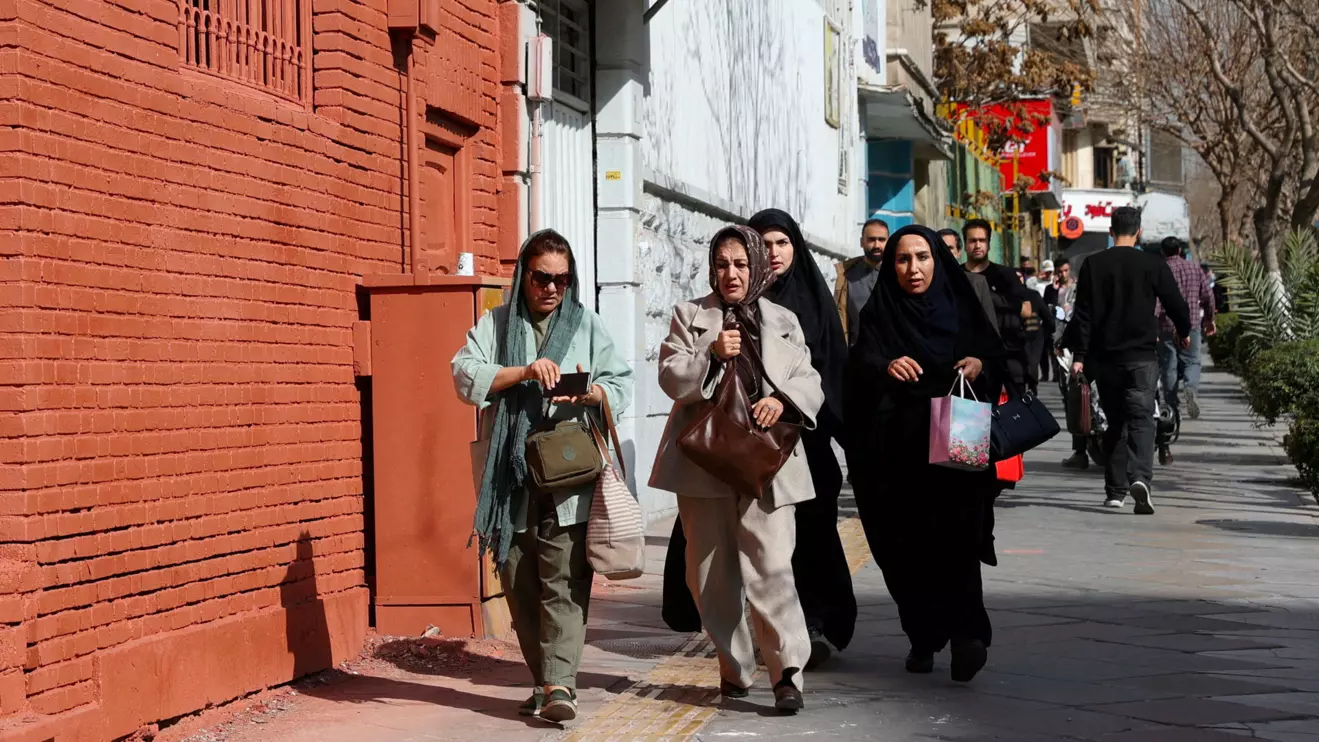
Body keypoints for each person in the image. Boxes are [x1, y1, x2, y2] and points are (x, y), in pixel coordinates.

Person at [451, 229, 634, 723]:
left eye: (562, 279)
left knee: (564, 579)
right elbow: (465, 376)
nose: (552, 288)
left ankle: (560, 684)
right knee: (517, 577)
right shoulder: (496, 324)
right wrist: (524, 372)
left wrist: (591, 393)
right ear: (523, 276)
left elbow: (621, 384)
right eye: (541, 277)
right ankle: (544, 679)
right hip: (510, 478)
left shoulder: (587, 325)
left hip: (570, 472)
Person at [651, 225, 824, 714]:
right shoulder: (690, 315)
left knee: (772, 567)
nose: (731, 273)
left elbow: (808, 377)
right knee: (708, 576)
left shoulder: (784, 318)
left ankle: (787, 672)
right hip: (704, 463)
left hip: (768, 462)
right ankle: (735, 667)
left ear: (757, 266)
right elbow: (670, 378)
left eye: (741, 264)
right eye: (723, 264)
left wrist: (781, 401)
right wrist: (710, 352)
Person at [844, 225, 1006, 683]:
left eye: (922, 257)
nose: (913, 269)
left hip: (957, 443)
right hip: (897, 453)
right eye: (902, 260)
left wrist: (978, 364)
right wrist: (885, 365)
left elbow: (995, 359)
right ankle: (923, 634)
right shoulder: (881, 314)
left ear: (938, 260)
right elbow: (858, 367)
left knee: (958, 540)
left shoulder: (961, 306)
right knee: (906, 548)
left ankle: (967, 637)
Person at [749, 208, 856, 669]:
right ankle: (772, 630)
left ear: (796, 247)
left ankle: (815, 623)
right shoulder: (739, 297)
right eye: (765, 244)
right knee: (763, 542)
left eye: (782, 243)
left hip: (807, 444)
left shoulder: (813, 301)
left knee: (813, 535)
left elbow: (833, 371)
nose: (773, 254)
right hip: (753, 445)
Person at [1063, 207, 1191, 514]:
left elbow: (1083, 314)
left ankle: (1115, 491)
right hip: (1142, 357)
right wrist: (1183, 331)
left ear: (1110, 230)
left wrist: (1079, 356)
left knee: (1114, 420)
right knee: (1142, 418)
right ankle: (1140, 478)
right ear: (1139, 232)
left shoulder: (1093, 263)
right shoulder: (1152, 263)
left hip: (1105, 359)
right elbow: (1175, 302)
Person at [963, 219, 1032, 394]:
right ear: (964, 244)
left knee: (1012, 418)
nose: (977, 245)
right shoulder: (957, 276)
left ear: (988, 243)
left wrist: (990, 297)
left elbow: (1026, 311)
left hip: (1007, 359)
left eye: (982, 240)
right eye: (972, 241)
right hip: (969, 361)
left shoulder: (1006, 275)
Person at [1156, 237, 1216, 420]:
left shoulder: (1160, 270)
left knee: (1169, 365)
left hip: (1166, 325)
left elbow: (1154, 301)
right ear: (1180, 251)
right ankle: (1190, 388)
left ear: (1162, 252)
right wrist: (1209, 319)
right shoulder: (1195, 268)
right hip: (1191, 324)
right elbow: (1208, 296)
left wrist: (1151, 325)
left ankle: (1172, 406)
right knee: (1192, 361)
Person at [1053, 259, 1093, 470]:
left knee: (1080, 397)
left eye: (1066, 270)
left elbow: (1081, 319)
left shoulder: (1081, 290)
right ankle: (1079, 450)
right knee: (1073, 398)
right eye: (1060, 271)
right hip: (1066, 350)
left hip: (1082, 349)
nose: (1063, 274)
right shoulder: (1054, 291)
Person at [834, 218, 889, 346]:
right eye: (871, 240)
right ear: (861, 242)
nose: (876, 245)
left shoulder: (899, 273)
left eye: (881, 240)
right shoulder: (846, 276)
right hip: (856, 355)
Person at [940, 228, 1001, 333]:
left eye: (949, 248)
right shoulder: (921, 284)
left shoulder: (977, 283)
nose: (945, 252)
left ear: (959, 252)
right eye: (940, 248)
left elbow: (991, 329)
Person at [1014, 269, 1054, 394]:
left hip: (1033, 337)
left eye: (1019, 277)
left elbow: (1047, 316)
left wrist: (1049, 332)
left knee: (1032, 366)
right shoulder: (1006, 296)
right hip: (1013, 338)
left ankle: (1032, 390)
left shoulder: (1033, 295)